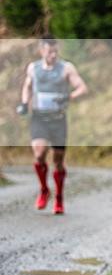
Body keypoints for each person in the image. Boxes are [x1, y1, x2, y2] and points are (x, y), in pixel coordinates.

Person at [16, 35, 88, 214]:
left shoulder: (66, 68)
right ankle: (44, 189)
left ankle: (59, 197)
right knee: (39, 153)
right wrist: (25, 103)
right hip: (39, 117)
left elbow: (82, 88)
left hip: (58, 120)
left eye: (56, 51)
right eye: (50, 51)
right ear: (42, 51)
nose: (54, 55)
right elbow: (27, 86)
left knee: (57, 160)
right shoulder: (33, 68)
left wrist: (69, 96)